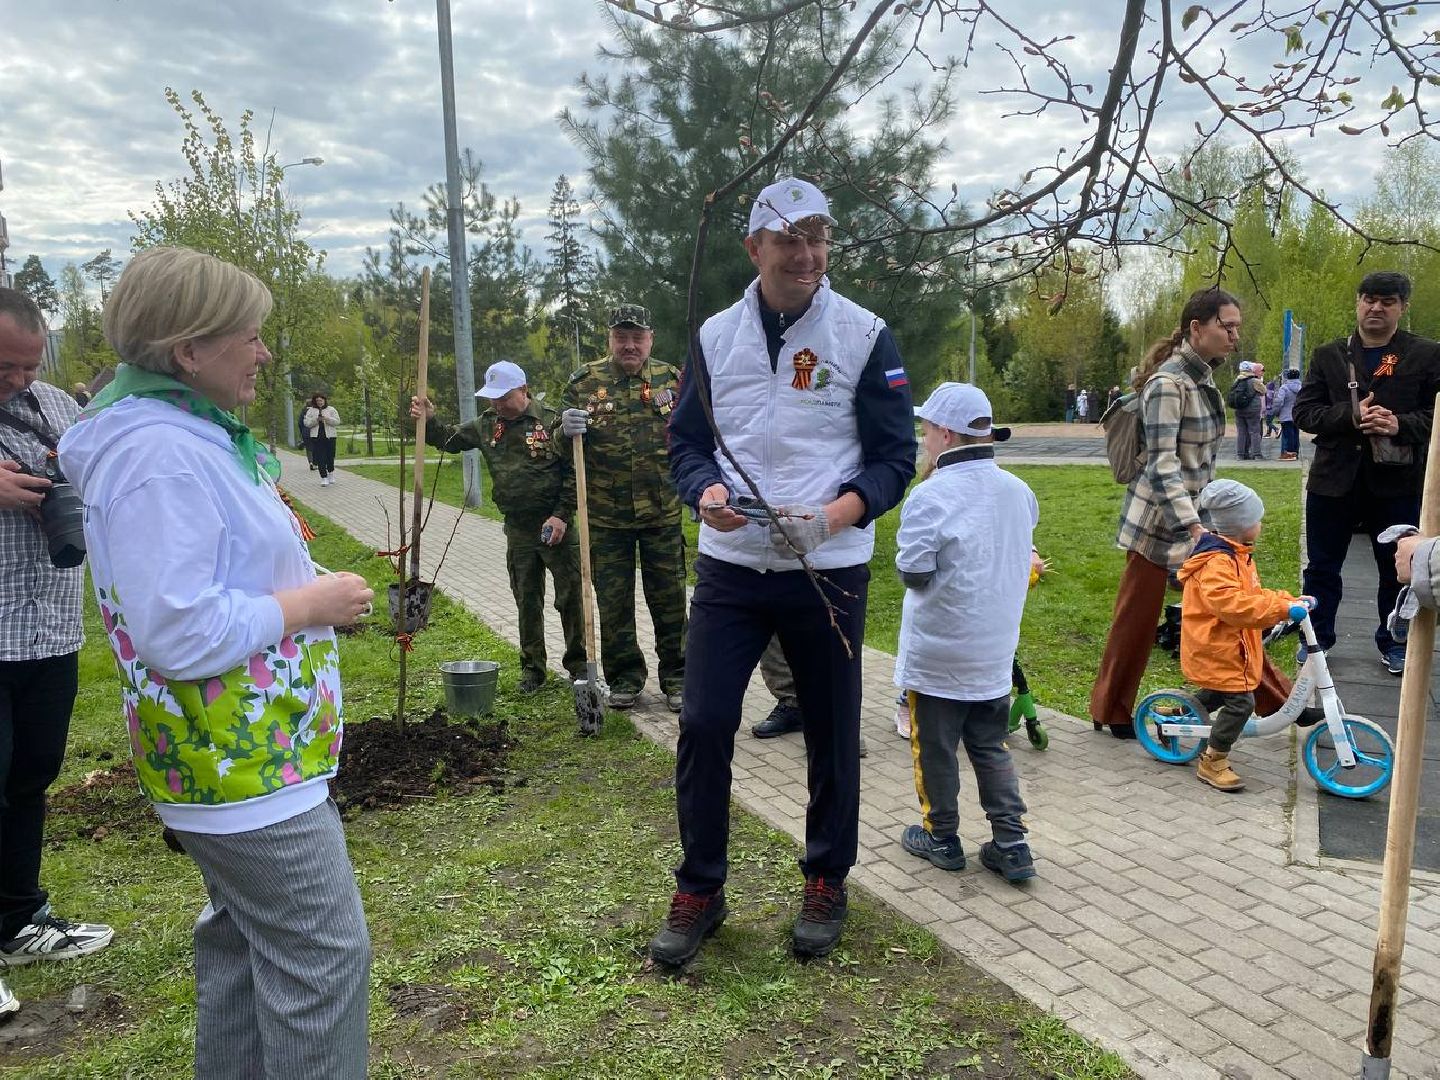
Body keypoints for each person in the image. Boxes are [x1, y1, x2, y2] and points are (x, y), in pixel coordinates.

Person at [57, 247, 374, 1077]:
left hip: (238, 759)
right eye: (250, 336)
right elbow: (178, 630)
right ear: (189, 349)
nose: (264, 353)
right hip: (242, 770)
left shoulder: (179, 435)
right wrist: (310, 605)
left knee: (242, 948)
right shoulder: (158, 455)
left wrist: (305, 586)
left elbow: (215, 572)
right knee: (323, 959)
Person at [650, 176, 916, 965]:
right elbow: (687, 442)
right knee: (703, 723)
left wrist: (836, 515)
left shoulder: (864, 334)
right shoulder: (713, 335)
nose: (806, 254)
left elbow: (895, 457)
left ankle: (826, 879)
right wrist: (704, 492)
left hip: (827, 567)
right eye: (789, 239)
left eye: (818, 237)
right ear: (754, 247)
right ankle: (701, 888)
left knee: (831, 730)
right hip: (731, 566)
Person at [1090, 287, 1296, 738]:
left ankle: (1282, 702)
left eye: (1237, 327)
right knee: (1135, 623)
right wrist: (1193, 525)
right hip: (1158, 526)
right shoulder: (1169, 384)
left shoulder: (1202, 378)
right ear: (1196, 328)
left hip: (1196, 524)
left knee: (1232, 610)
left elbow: (1197, 462)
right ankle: (1111, 710)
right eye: (1227, 326)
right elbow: (1162, 463)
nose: (1235, 335)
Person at [0, 288, 114, 1019]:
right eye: (3, 369)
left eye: (28, 365)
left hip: (48, 630)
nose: (18, 380)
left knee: (30, 777)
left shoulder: (55, 405)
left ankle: (18, 920)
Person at [894, 383, 1037, 882]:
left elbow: (914, 573)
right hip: (994, 651)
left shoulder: (930, 496)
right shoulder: (1019, 492)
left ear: (947, 434)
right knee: (990, 746)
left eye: (927, 429)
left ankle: (941, 835)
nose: (924, 438)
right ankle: (1011, 842)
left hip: (939, 653)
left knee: (935, 749)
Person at [1294, 271, 1440, 675]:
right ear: (1358, 302)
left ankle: (1395, 641)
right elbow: (1304, 412)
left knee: (1399, 568)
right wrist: (1350, 415)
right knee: (1322, 568)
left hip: (1397, 482)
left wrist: (1399, 424)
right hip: (1333, 481)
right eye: (1369, 299)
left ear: (1402, 307)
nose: (1376, 308)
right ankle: (1316, 640)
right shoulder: (1329, 354)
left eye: (1387, 301)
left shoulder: (1426, 354)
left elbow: (1436, 415)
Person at [411, 360, 585, 693]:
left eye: (504, 397)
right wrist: (429, 420)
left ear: (523, 390)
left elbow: (573, 472)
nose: (497, 404)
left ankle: (578, 667)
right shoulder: (487, 425)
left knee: (571, 599)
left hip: (556, 526)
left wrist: (562, 515)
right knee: (526, 600)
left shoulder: (552, 421)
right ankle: (532, 670)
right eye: (492, 398)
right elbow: (449, 440)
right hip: (518, 529)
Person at [560, 304, 686, 712]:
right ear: (609, 339)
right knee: (614, 604)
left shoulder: (672, 379)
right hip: (606, 516)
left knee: (670, 601)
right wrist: (564, 430)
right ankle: (625, 677)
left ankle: (679, 677)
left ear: (651, 339)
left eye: (637, 337)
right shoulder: (584, 383)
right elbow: (560, 447)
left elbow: (692, 437)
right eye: (621, 337)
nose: (629, 345)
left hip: (662, 512)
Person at [1178, 481, 1311, 792]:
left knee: (1223, 690)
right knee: (1240, 703)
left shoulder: (1238, 555)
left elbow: (1252, 595)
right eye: (1256, 519)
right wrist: (1281, 609)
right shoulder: (1218, 563)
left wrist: (1287, 601)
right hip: (1215, 645)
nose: (1260, 524)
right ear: (1241, 526)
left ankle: (1181, 713)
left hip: (1231, 644)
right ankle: (1213, 759)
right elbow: (1233, 606)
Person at [1228, 361, 1265, 460]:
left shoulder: (1237, 381)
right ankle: (1256, 454)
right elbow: (1264, 391)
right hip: (1253, 410)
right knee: (1254, 431)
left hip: (1239, 409)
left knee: (1241, 432)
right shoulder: (1254, 381)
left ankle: (1240, 454)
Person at [302, 393, 340, 486]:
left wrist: (327, 419)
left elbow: (337, 421)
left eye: (321, 400)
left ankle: (331, 473)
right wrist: (316, 420)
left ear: (324, 400)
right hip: (317, 437)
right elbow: (306, 423)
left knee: (330, 456)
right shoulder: (311, 410)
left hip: (330, 436)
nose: (319, 402)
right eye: (317, 401)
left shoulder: (331, 409)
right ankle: (324, 477)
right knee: (320, 457)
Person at [1274, 367, 1302, 460]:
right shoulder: (1301, 388)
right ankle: (1295, 453)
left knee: (1287, 435)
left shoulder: (1284, 388)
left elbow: (1279, 402)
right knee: (1295, 435)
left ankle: (1288, 453)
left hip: (1286, 415)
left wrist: (1276, 412)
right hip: (1297, 415)